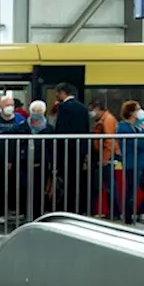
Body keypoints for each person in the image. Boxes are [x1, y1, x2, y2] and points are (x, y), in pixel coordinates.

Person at [0, 96, 27, 220]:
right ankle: (0, 213)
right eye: (7, 104)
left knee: (17, 186)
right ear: (0, 106)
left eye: (11, 104)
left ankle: (17, 211)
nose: (10, 107)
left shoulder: (21, 120)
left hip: (17, 160)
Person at [52, 82, 90, 214]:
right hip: (79, 150)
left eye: (58, 92)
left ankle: (67, 208)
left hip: (66, 151)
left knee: (67, 181)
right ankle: (79, 209)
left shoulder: (63, 108)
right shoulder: (83, 108)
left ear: (63, 93)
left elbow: (61, 130)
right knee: (78, 180)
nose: (57, 95)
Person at [116, 100, 144, 227]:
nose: (140, 111)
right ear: (131, 112)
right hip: (132, 164)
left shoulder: (136, 126)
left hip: (142, 164)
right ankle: (128, 219)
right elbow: (141, 144)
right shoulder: (123, 128)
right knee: (131, 193)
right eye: (137, 109)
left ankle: (137, 215)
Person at [89, 100, 120, 219]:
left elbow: (109, 141)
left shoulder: (107, 120)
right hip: (104, 155)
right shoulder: (105, 119)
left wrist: (104, 159)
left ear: (98, 108)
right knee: (107, 185)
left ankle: (114, 212)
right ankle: (113, 212)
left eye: (93, 110)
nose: (92, 113)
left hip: (106, 156)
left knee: (109, 185)